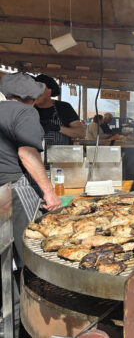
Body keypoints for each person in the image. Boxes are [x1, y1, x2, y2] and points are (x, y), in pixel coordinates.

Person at [0, 73, 62, 270]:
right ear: (33, 98)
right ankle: (30, 296)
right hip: (16, 187)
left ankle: (11, 298)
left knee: (5, 252)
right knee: (31, 248)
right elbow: (27, 153)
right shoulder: (26, 113)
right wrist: (49, 192)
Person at [34, 74, 85, 146]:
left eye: (39, 89)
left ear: (49, 91)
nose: (35, 93)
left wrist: (57, 128)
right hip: (33, 155)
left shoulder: (63, 107)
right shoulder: (28, 109)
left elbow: (81, 133)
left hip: (61, 156)